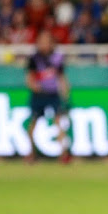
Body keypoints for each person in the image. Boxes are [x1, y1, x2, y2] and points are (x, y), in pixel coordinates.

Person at [25, 30, 71, 163]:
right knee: (33, 124)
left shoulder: (57, 58)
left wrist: (65, 93)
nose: (44, 44)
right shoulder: (34, 59)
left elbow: (61, 77)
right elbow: (29, 78)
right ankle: (31, 154)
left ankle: (63, 154)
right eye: (41, 41)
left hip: (53, 95)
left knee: (59, 123)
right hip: (38, 95)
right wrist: (36, 87)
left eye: (46, 41)